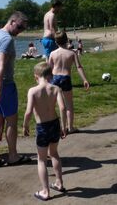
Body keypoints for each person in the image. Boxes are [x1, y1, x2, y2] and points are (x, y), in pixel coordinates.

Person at [0, 11, 31, 169]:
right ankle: (12, 156)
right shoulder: (7, 40)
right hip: (3, 85)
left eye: (22, 29)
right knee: (11, 120)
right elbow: (0, 64)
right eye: (18, 27)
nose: (19, 31)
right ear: (11, 22)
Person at [23, 62, 68, 201]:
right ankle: (59, 183)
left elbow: (29, 111)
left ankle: (45, 191)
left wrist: (25, 125)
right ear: (50, 75)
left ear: (36, 76)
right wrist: (64, 126)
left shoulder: (33, 91)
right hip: (54, 124)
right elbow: (62, 108)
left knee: (42, 160)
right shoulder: (56, 89)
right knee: (54, 154)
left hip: (42, 126)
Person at [48, 31, 90, 134]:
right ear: (67, 40)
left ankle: (57, 127)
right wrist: (84, 79)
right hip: (66, 78)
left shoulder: (53, 53)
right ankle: (69, 127)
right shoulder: (72, 53)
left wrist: (47, 81)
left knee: (55, 104)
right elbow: (78, 67)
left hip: (55, 78)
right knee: (69, 105)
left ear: (55, 42)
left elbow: (49, 68)